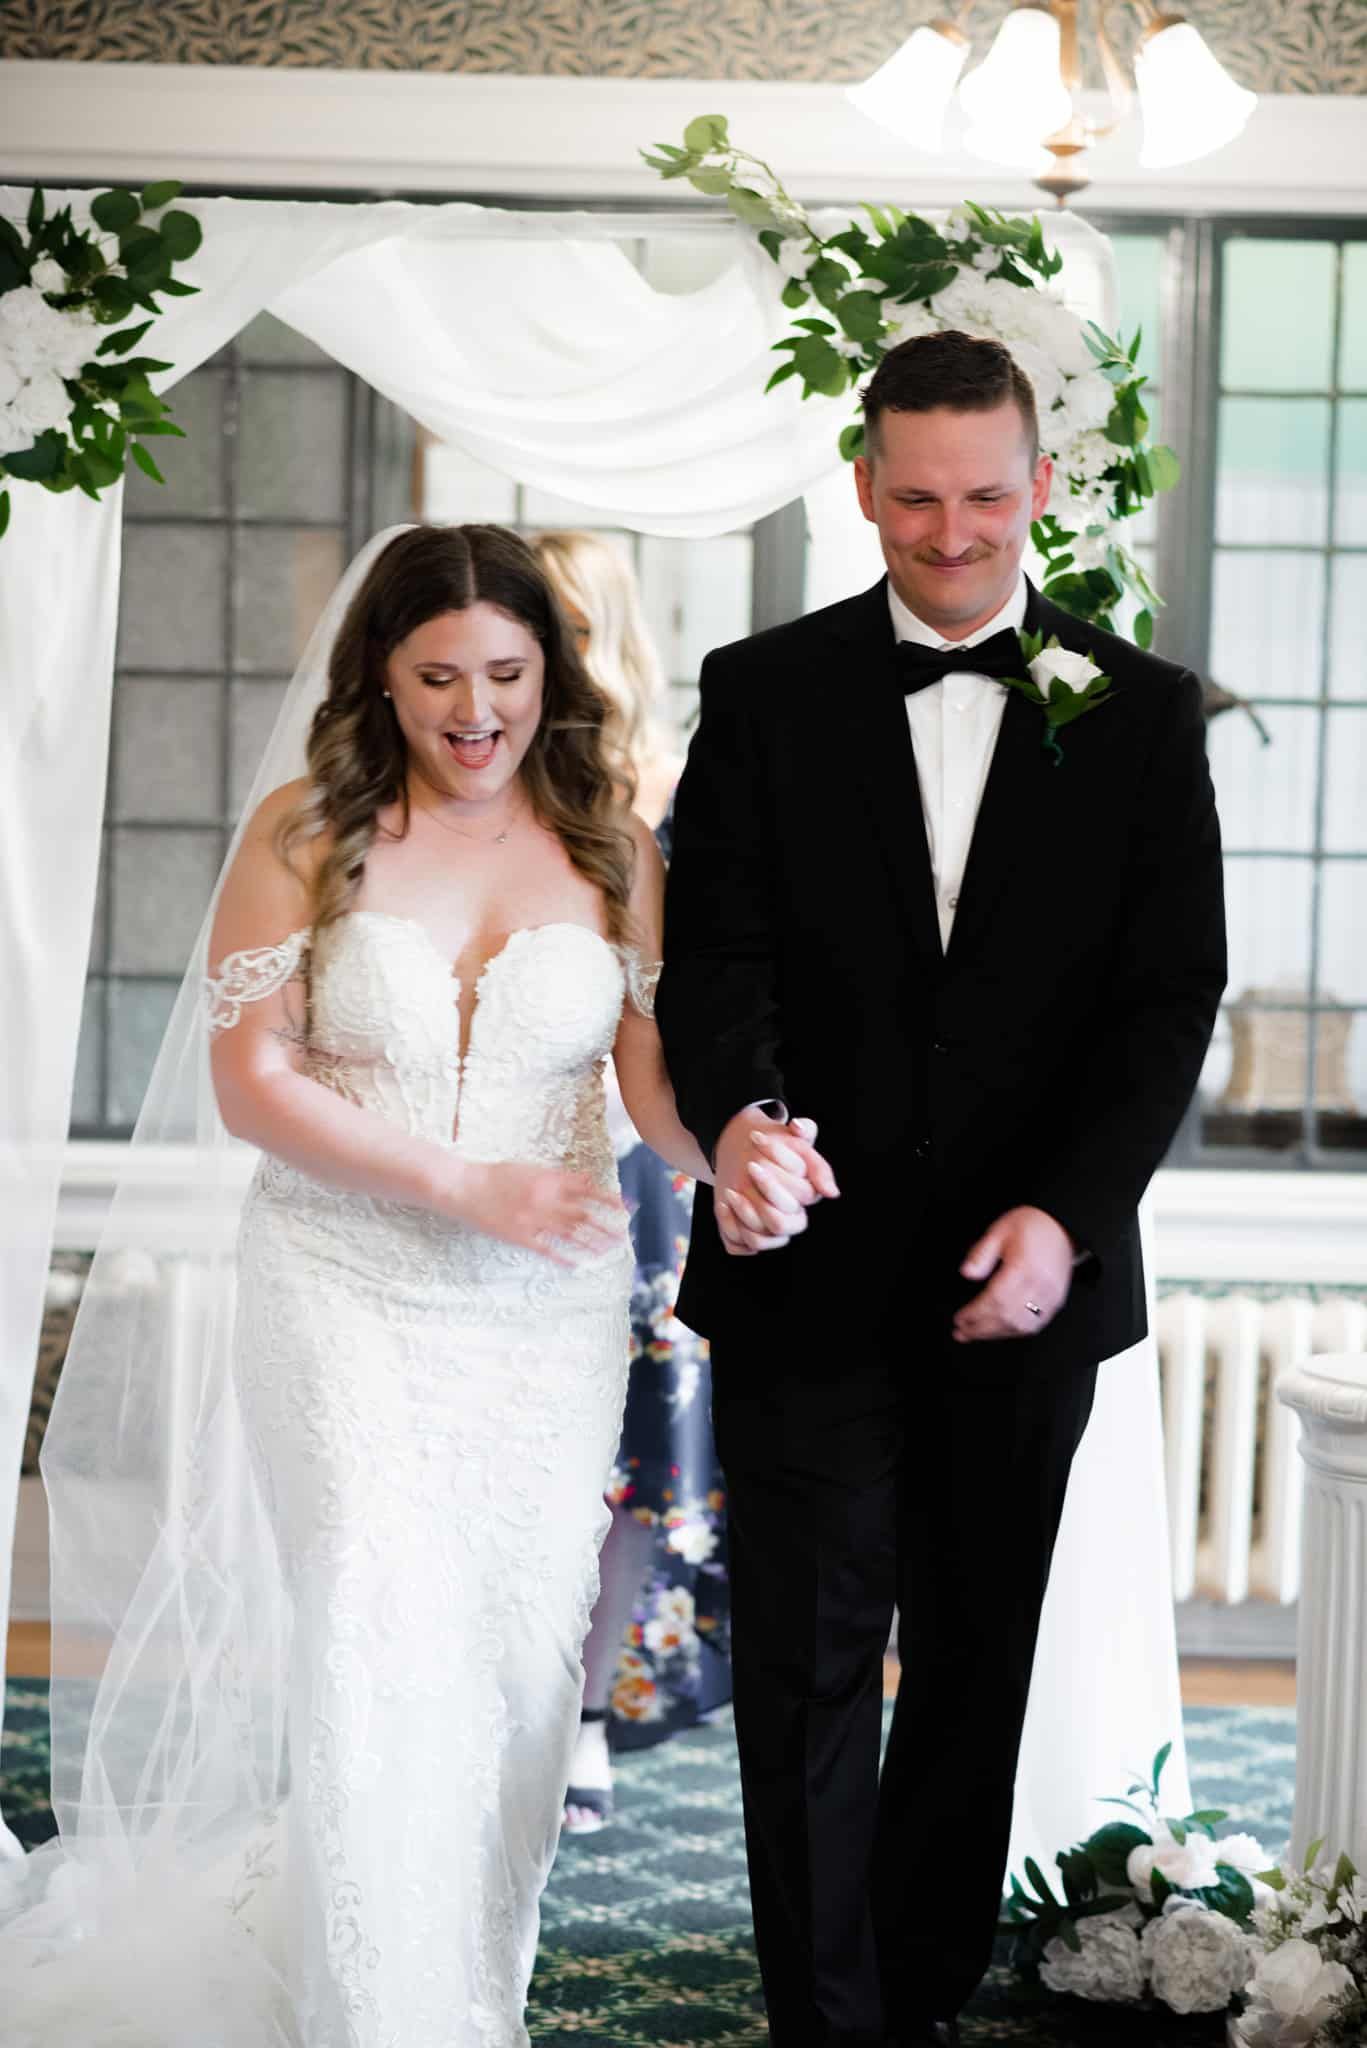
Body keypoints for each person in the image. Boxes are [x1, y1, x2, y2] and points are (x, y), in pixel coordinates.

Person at [0, 523, 775, 2048]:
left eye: (505, 672)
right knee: (371, 1621)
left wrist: (728, 1149)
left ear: (552, 676)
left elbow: (649, 1083)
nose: (474, 709)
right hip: (344, 1286)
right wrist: (460, 1184)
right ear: (382, 675)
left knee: (511, 1670)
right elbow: (251, 1083)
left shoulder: (615, 844)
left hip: (541, 1325)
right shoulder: (309, 832)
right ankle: (386, 2019)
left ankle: (468, 1981)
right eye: (438, 677)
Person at [656, 331, 1227, 2048]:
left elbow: (1166, 998)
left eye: (987, 495)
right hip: (803, 1267)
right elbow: (716, 955)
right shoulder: (763, 689)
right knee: (808, 1673)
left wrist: (1068, 1216)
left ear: (1040, 486)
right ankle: (823, 2024)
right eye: (917, 497)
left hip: (1025, 1282)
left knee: (974, 1671)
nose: (954, 531)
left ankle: (908, 2005)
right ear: (865, 490)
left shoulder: (1139, 714)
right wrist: (747, 1123)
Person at [532, 530, 729, 1832]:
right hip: (490, 1153)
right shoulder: (479, 779)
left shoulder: (664, 788)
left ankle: (586, 1714)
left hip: (635, 1163)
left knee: (627, 1462)